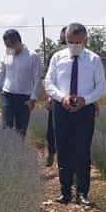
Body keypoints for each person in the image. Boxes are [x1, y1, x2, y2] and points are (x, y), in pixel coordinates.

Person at [45, 23, 106, 207]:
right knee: (63, 151)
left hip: (84, 110)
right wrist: (62, 97)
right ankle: (65, 192)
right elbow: (49, 83)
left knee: (82, 152)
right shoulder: (57, 58)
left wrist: (85, 100)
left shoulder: (94, 60)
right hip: (61, 109)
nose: (73, 45)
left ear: (85, 40)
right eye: (69, 41)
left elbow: (101, 87)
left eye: (77, 42)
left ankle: (82, 192)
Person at [0, 29, 42, 136]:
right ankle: (8, 152)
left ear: (17, 42)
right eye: (6, 46)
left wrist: (33, 99)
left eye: (9, 46)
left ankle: (18, 152)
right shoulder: (6, 55)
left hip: (25, 99)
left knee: (21, 131)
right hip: (7, 96)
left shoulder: (32, 56)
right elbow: (0, 74)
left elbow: (37, 79)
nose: (8, 49)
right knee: (7, 128)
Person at [45, 26, 67, 167]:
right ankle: (52, 152)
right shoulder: (54, 54)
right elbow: (47, 78)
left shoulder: (84, 54)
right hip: (57, 97)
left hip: (75, 99)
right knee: (52, 129)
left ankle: (68, 165)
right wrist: (49, 96)